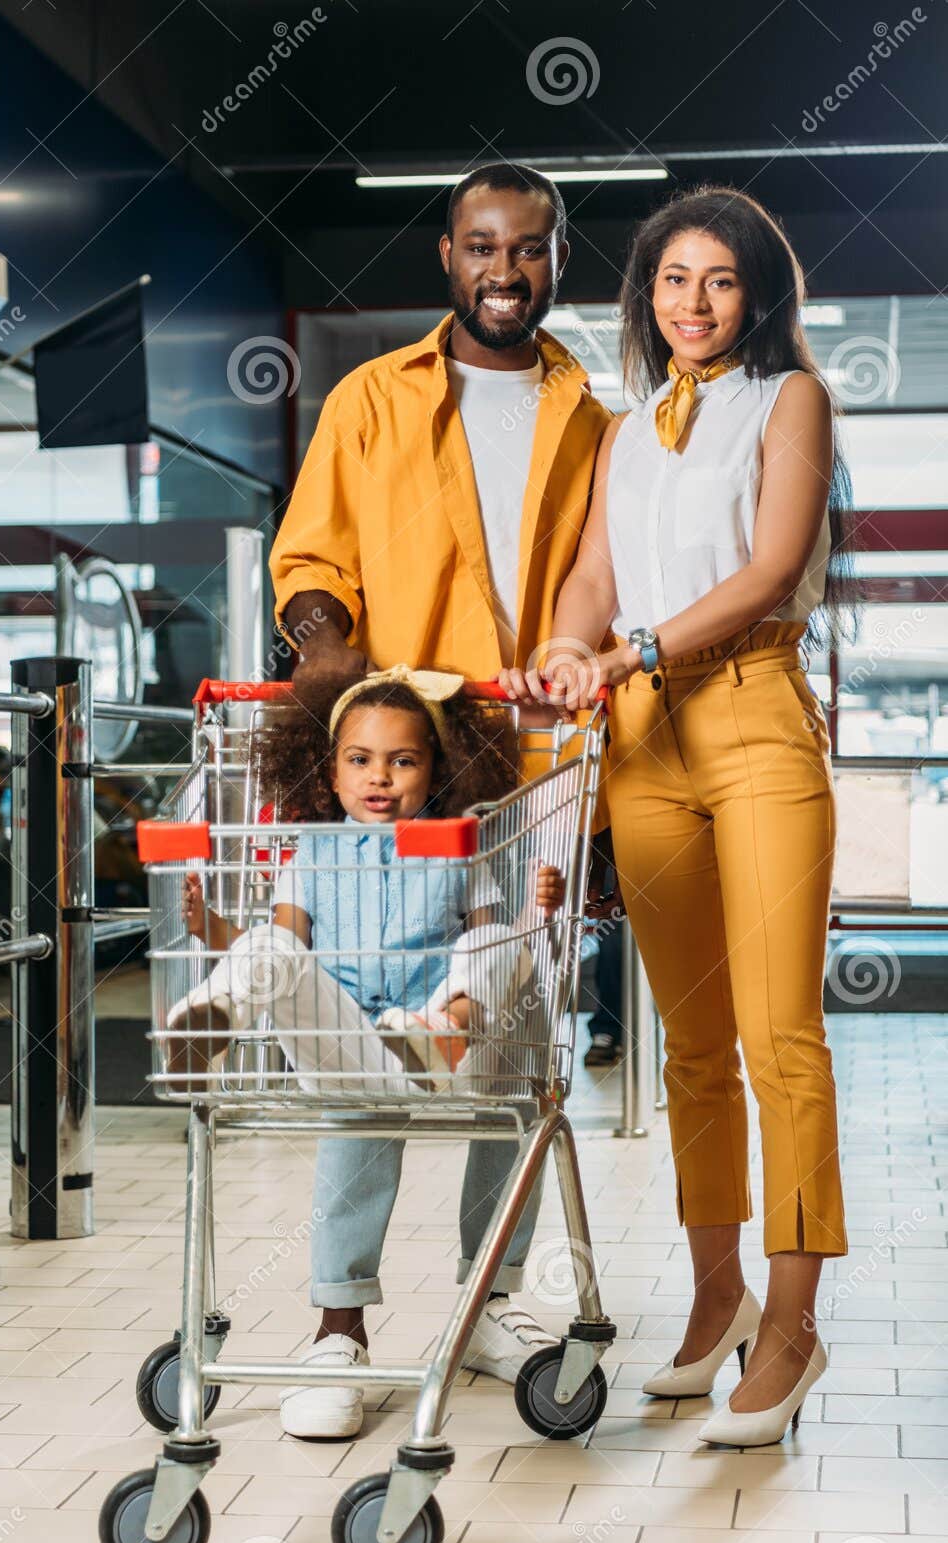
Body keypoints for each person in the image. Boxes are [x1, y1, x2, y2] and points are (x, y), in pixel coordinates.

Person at [502, 186, 852, 1448]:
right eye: (670, 280)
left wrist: (633, 645)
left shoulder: (789, 399)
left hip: (754, 715)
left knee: (780, 1040)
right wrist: (565, 642)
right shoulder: (629, 426)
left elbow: (767, 569)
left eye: (719, 280)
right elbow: (594, 577)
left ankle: (795, 1328)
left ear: (759, 292)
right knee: (692, 1050)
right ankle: (716, 1303)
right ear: (643, 295)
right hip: (641, 741)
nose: (693, 304)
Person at [266, 163, 613, 1419]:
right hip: (404, 779)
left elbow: (604, 586)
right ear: (446, 257)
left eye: (528, 248)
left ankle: (489, 1294)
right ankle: (339, 1322)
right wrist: (325, 648)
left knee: (512, 1046)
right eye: (482, 246)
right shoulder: (372, 400)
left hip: (541, 778)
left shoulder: (594, 416)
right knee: (369, 1040)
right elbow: (311, 561)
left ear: (559, 258)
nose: (505, 270)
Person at [168, 667, 566, 1438]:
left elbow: (501, 944)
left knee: (493, 944)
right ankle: (338, 1333)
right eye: (359, 759)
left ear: (436, 772)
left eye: (403, 760)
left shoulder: (463, 845)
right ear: (329, 771)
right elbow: (285, 945)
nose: (379, 776)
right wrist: (216, 928)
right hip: (347, 1035)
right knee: (270, 945)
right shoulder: (312, 852)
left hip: (440, 1039)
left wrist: (532, 913)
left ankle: (484, 1305)